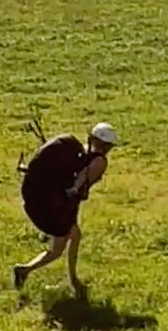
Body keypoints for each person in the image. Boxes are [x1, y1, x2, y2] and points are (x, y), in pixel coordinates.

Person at [13, 121, 118, 292]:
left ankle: (73, 278)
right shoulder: (99, 162)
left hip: (53, 203)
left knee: (75, 235)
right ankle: (24, 270)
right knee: (56, 250)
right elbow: (78, 188)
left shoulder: (79, 151)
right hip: (59, 209)